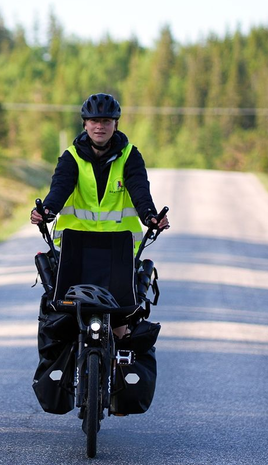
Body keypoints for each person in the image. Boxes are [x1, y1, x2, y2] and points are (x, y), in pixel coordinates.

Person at [31, 93, 169, 336]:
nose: (100, 126)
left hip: (118, 249)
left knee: (120, 321)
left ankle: (115, 369)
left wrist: (150, 216)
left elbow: (139, 190)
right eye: (94, 121)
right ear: (84, 124)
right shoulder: (71, 157)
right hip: (76, 248)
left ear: (116, 124)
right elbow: (60, 188)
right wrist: (47, 212)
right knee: (66, 319)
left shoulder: (129, 155)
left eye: (106, 121)